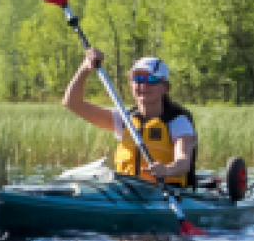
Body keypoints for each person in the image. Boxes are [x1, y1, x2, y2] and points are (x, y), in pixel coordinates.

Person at [62, 49, 197, 186]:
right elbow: (72, 103)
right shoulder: (123, 119)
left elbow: (183, 161)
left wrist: (167, 170)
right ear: (131, 85)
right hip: (128, 191)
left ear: (165, 87)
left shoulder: (177, 121)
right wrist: (85, 68)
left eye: (151, 79)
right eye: (138, 79)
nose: (143, 85)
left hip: (164, 191)